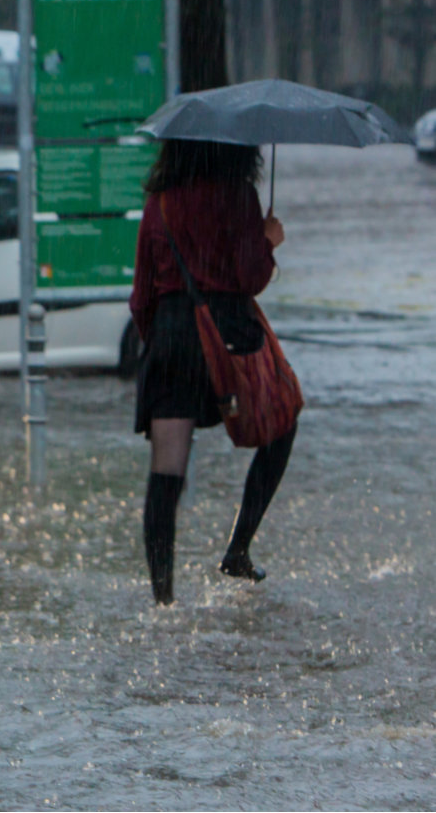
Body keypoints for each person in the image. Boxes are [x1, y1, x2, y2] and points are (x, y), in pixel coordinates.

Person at [129, 140, 295, 606]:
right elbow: (248, 276)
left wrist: (162, 340)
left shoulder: (158, 201)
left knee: (167, 469)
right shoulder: (237, 194)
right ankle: (237, 549)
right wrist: (268, 240)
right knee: (282, 422)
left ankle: (162, 599)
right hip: (228, 335)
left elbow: (141, 295)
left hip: (170, 339)